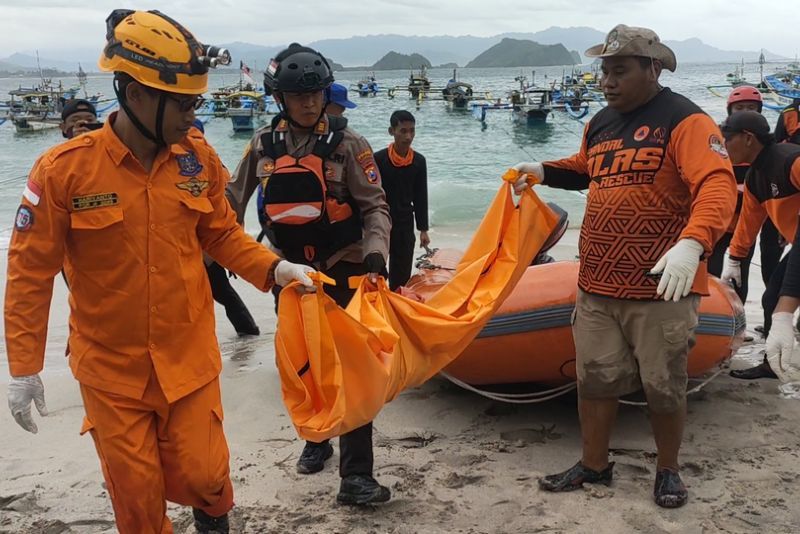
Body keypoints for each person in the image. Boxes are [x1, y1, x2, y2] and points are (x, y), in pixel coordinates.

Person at [4, 10, 315, 533]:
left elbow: (219, 233)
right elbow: (29, 271)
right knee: (138, 501)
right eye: (185, 103)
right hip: (110, 373)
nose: (193, 117)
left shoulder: (197, 160)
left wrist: (275, 269)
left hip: (187, 357)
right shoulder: (64, 171)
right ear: (134, 93)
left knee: (207, 477)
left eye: (196, 102)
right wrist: (23, 366)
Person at [512, 24, 736, 508]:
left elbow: (717, 185)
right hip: (596, 283)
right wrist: (544, 171)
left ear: (652, 68)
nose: (607, 82)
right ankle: (594, 464)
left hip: (662, 286)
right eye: (603, 72)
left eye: (619, 71)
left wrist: (693, 244)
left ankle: (669, 470)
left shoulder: (686, 121)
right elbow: (587, 167)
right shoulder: (601, 122)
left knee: (664, 383)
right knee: (594, 378)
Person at [227, 43, 392, 505]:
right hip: (290, 277)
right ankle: (317, 438)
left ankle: (356, 475)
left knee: (354, 370)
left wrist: (377, 254)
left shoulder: (349, 143)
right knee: (305, 366)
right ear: (279, 98)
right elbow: (227, 207)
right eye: (298, 96)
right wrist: (210, 253)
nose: (309, 102)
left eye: (316, 94)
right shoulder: (261, 145)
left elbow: (375, 207)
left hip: (344, 267)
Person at [720, 111, 800, 379]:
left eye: (726, 139)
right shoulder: (756, 177)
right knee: (772, 298)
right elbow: (748, 222)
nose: (723, 146)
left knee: (782, 303)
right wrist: (734, 258)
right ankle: (773, 363)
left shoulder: (792, 160)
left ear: (748, 138)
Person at [192, 119, 262, 336]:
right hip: (195, 246)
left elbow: (231, 211)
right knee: (220, 292)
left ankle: (248, 331)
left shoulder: (213, 168)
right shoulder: (178, 167)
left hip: (207, 247)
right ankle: (248, 331)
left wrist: (228, 254)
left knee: (220, 292)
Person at [374, 110, 430, 290]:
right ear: (391, 131)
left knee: (401, 276)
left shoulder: (419, 161)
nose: (408, 136)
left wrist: (423, 229)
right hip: (381, 223)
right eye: (403, 131)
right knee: (377, 272)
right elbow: (370, 195)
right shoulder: (378, 159)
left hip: (405, 224)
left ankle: (398, 310)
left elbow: (421, 196)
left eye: (412, 131)